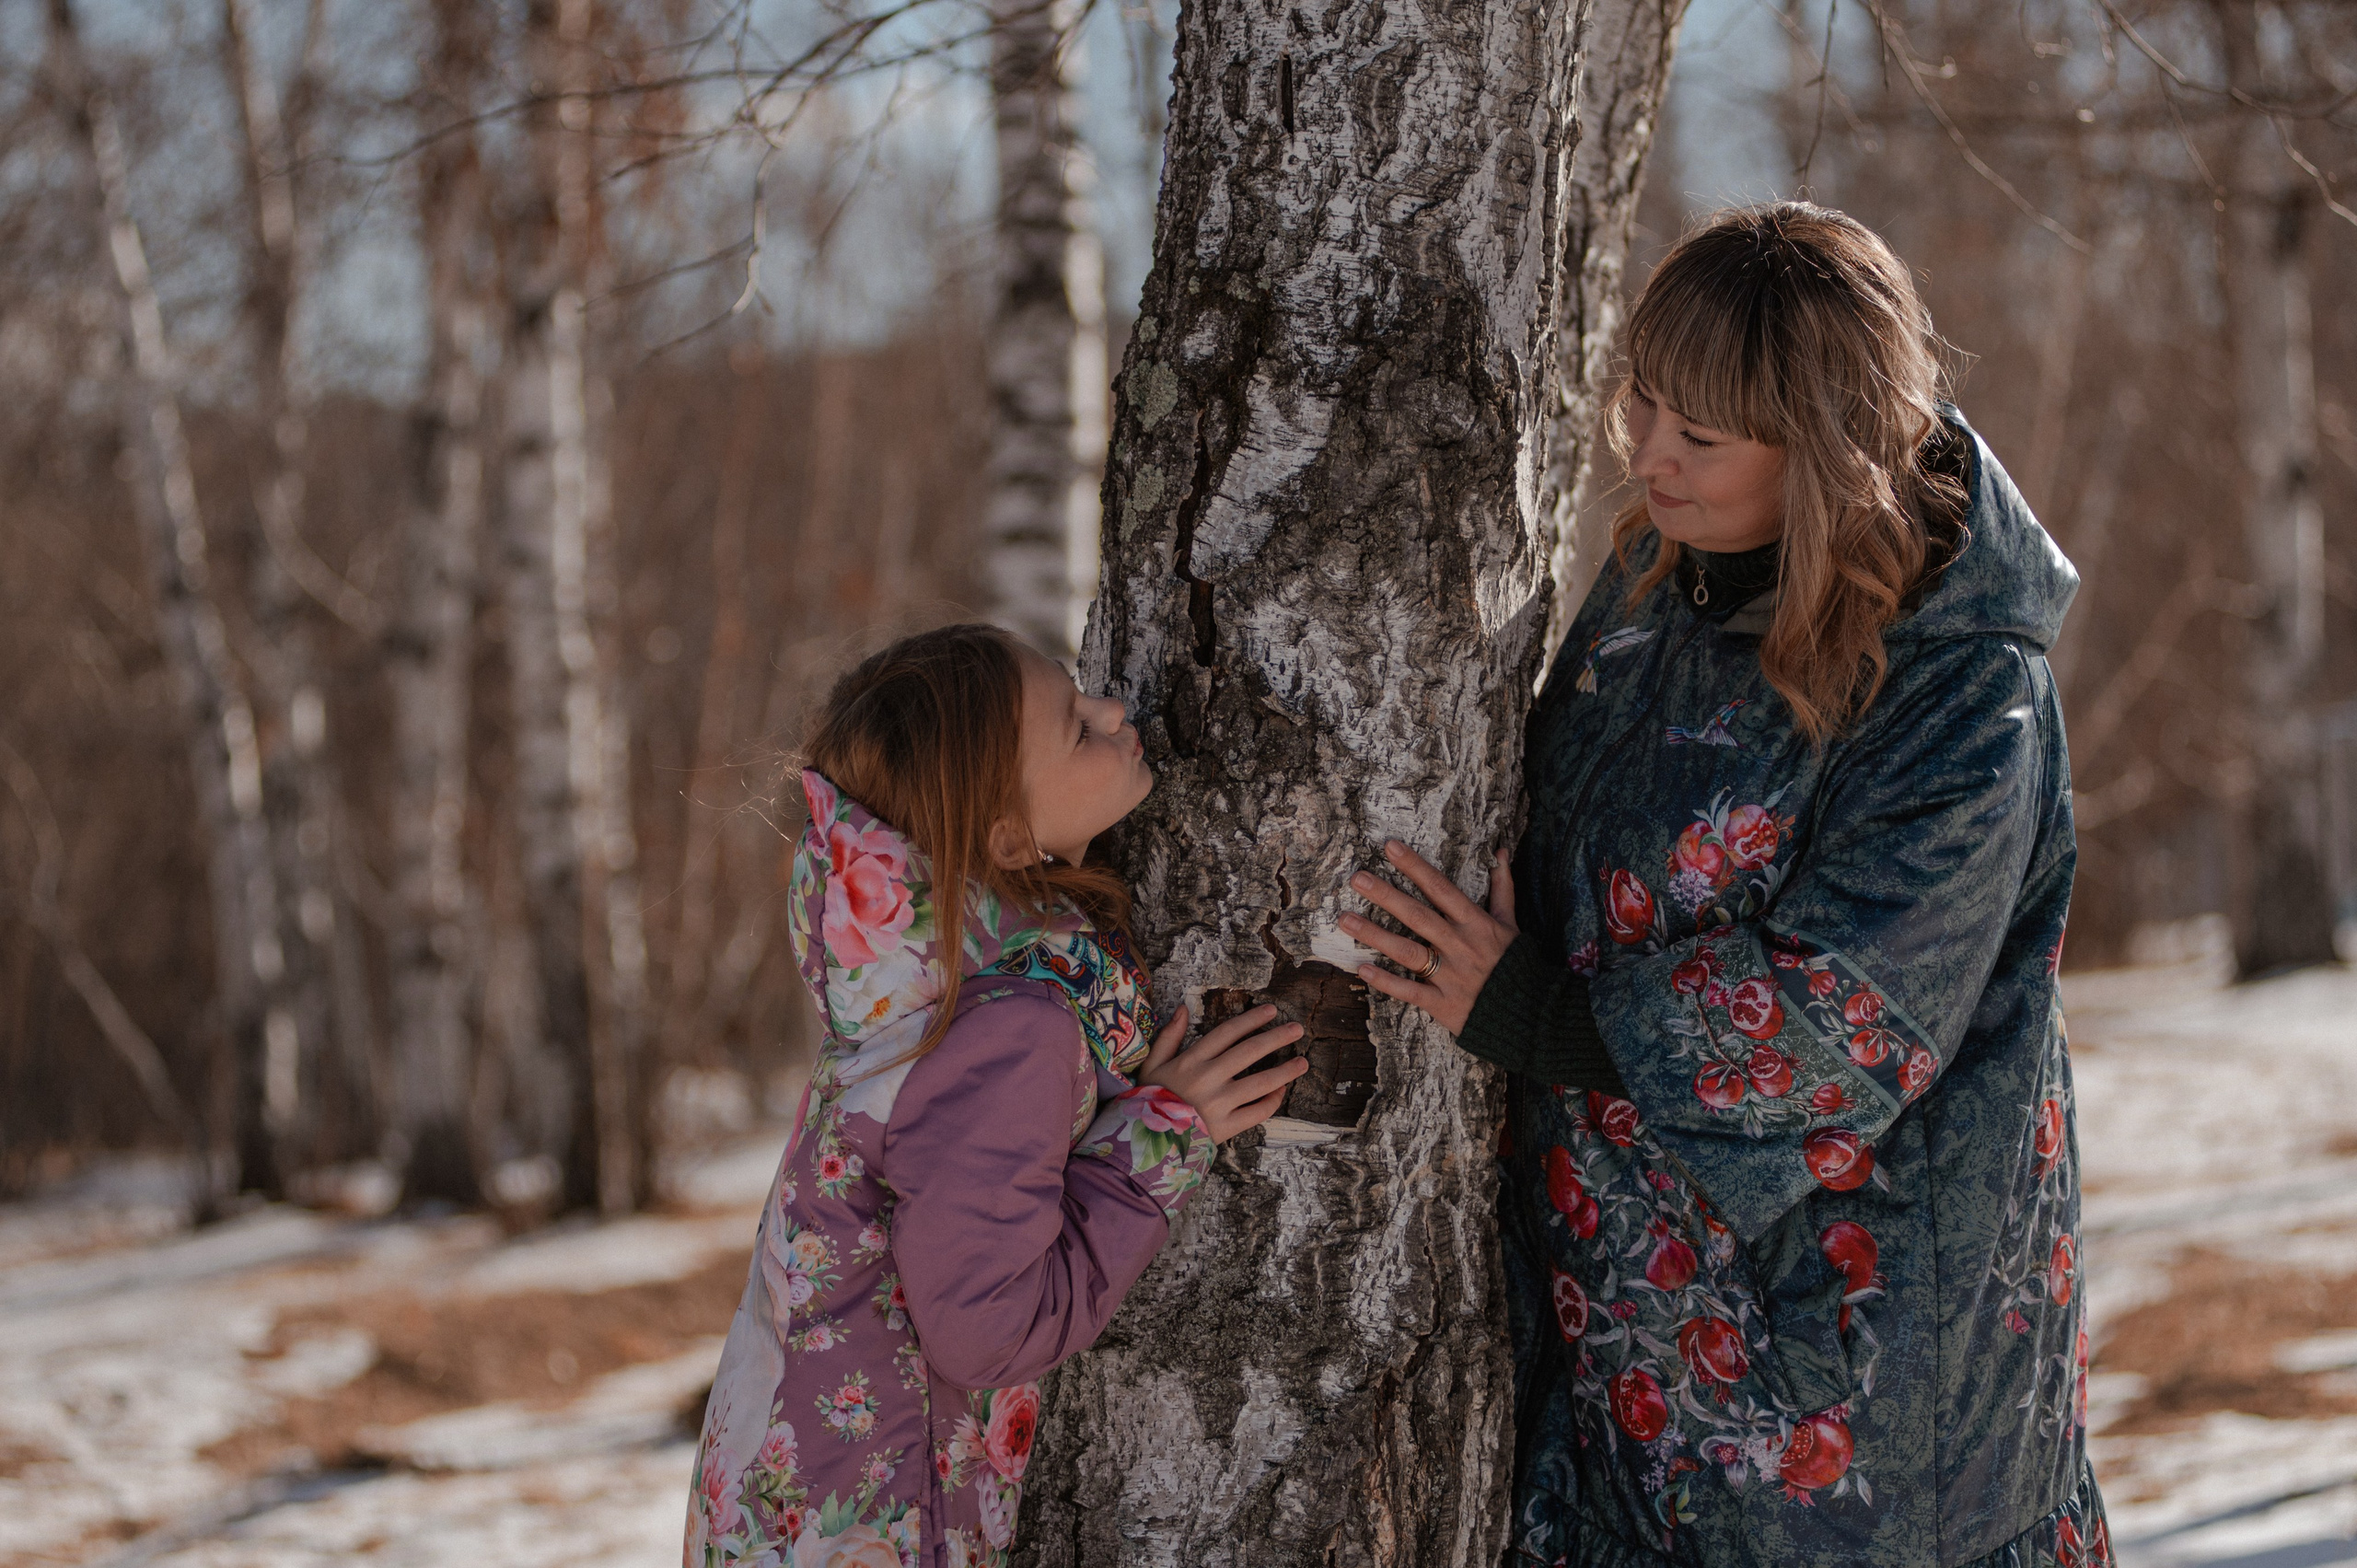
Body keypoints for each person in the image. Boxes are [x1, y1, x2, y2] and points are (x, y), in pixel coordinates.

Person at [1340, 204, 2109, 1564]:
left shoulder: (1964, 687)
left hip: (1864, 1408)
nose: (1648, 456)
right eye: (1642, 402)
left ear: (1826, 449)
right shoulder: (1657, 580)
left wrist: (1535, 1014)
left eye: (1700, 434)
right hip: (1629, 1349)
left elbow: (1848, 1009)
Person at [685, 623, 1306, 1567]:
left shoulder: (914, 983)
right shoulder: (1010, 1030)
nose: (1115, 709)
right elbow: (986, 1328)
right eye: (1077, 726)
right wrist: (1160, 1140)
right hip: (884, 1528)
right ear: (1008, 836)